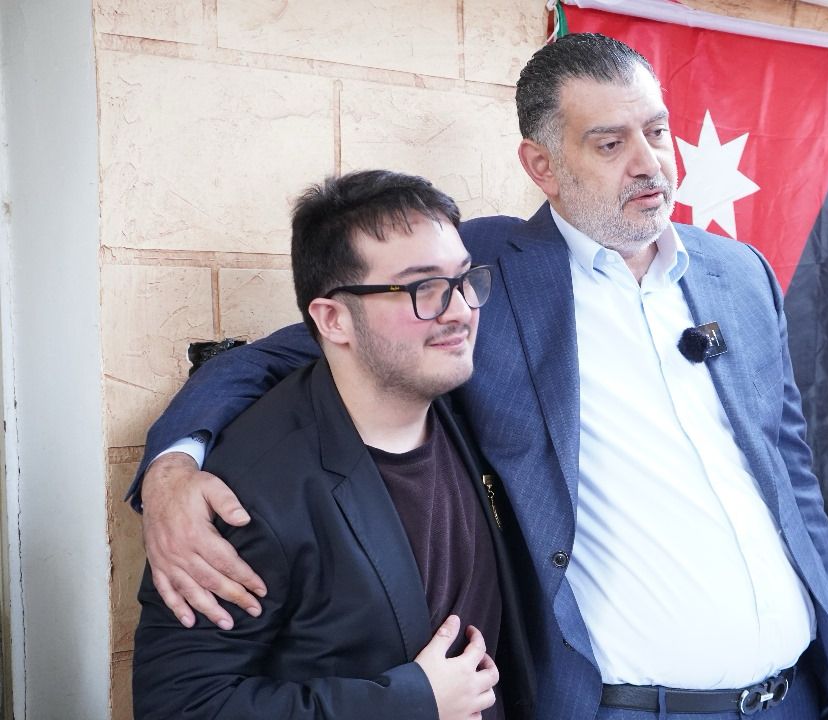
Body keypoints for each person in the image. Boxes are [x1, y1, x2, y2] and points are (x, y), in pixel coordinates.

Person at [128, 33, 828, 720]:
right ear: (541, 166)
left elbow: (793, 480)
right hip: (627, 706)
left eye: (657, 130)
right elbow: (284, 353)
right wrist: (172, 466)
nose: (648, 162)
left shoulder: (740, 273)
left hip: (800, 695)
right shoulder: (484, 274)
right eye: (610, 142)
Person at [131, 170, 534, 719]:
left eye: (464, 279)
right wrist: (410, 703)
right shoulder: (248, 495)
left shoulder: (461, 404)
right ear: (333, 318)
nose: (461, 309)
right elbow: (180, 704)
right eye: (422, 288)